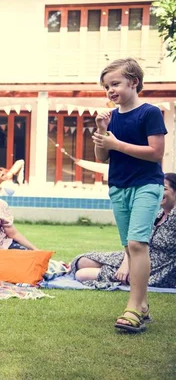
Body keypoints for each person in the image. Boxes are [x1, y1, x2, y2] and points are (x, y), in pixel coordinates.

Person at [92, 58, 167, 333]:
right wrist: (102, 132)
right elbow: (103, 156)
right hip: (118, 186)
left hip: (146, 184)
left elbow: (156, 153)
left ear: (134, 82)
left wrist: (116, 143)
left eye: (115, 84)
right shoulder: (111, 118)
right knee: (128, 247)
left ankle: (133, 307)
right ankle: (143, 305)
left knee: (137, 244)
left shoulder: (150, 113)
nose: (110, 91)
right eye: (106, 86)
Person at [73, 173, 176, 289]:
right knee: (82, 261)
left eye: (164, 189)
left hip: (156, 269)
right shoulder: (157, 214)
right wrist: (126, 263)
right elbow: (136, 240)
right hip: (137, 255)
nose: (158, 192)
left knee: (82, 274)